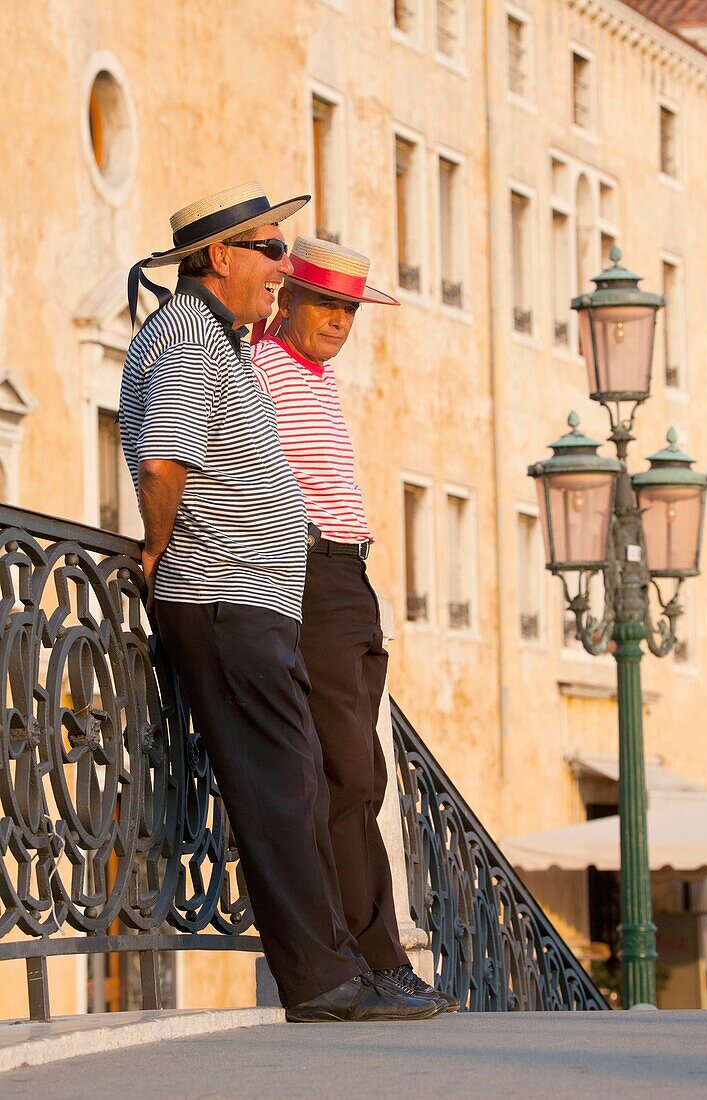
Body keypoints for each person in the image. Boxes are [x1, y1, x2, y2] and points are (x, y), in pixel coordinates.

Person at [119, 184, 442, 1023]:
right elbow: (162, 463)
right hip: (224, 595)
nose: (279, 266)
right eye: (270, 251)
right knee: (282, 790)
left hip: (251, 599)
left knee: (297, 784)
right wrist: (157, 550)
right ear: (217, 256)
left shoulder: (208, 338)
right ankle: (326, 980)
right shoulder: (191, 339)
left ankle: (336, 972)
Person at [251, 236, 459, 1013]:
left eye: (347, 311)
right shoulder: (263, 368)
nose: (338, 322)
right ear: (289, 302)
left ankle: (369, 960)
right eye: (325, 306)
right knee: (350, 774)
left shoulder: (317, 375)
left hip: (346, 574)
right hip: (307, 573)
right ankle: (371, 962)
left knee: (354, 774)